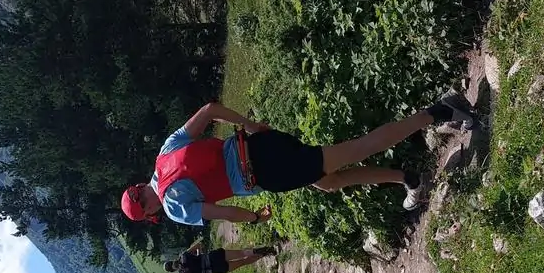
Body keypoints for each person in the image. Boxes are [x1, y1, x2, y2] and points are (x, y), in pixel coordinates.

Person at [119, 92, 476, 228]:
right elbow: (210, 109)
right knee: (327, 181)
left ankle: (441, 111)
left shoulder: (174, 207)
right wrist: (249, 125)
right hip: (259, 144)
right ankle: (408, 178)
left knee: (359, 148)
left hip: (267, 172)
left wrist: (254, 218)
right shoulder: (165, 153)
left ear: (148, 211)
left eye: (150, 213)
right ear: (138, 186)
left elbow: (225, 213)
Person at [164, 239, 277, 273]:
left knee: (243, 262)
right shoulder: (184, 255)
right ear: (172, 260)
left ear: (173, 271)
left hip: (215, 268)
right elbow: (198, 245)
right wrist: (199, 255)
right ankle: (264, 249)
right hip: (214, 256)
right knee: (242, 253)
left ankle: (265, 254)